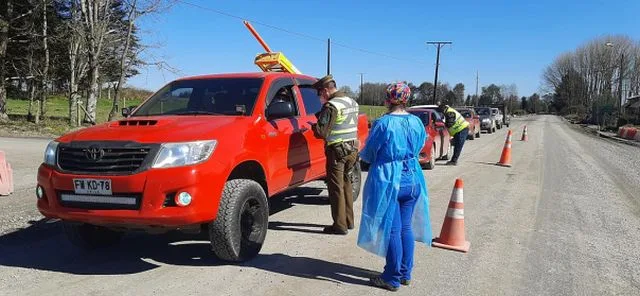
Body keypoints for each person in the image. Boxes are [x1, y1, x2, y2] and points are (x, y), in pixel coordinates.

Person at [357, 82, 432, 292]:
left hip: (390, 180)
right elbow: (419, 146)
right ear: (407, 99)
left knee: (391, 228)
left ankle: (392, 277)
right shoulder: (416, 122)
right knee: (405, 227)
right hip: (414, 177)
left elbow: (369, 153)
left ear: (387, 99)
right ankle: (406, 272)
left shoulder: (384, 123)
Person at [310, 75, 360, 235]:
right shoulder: (351, 101)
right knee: (346, 184)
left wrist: (313, 126)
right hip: (352, 149)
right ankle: (349, 221)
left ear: (325, 90)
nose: (320, 98)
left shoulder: (331, 106)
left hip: (337, 152)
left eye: (319, 94)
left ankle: (339, 226)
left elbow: (321, 132)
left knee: (335, 188)